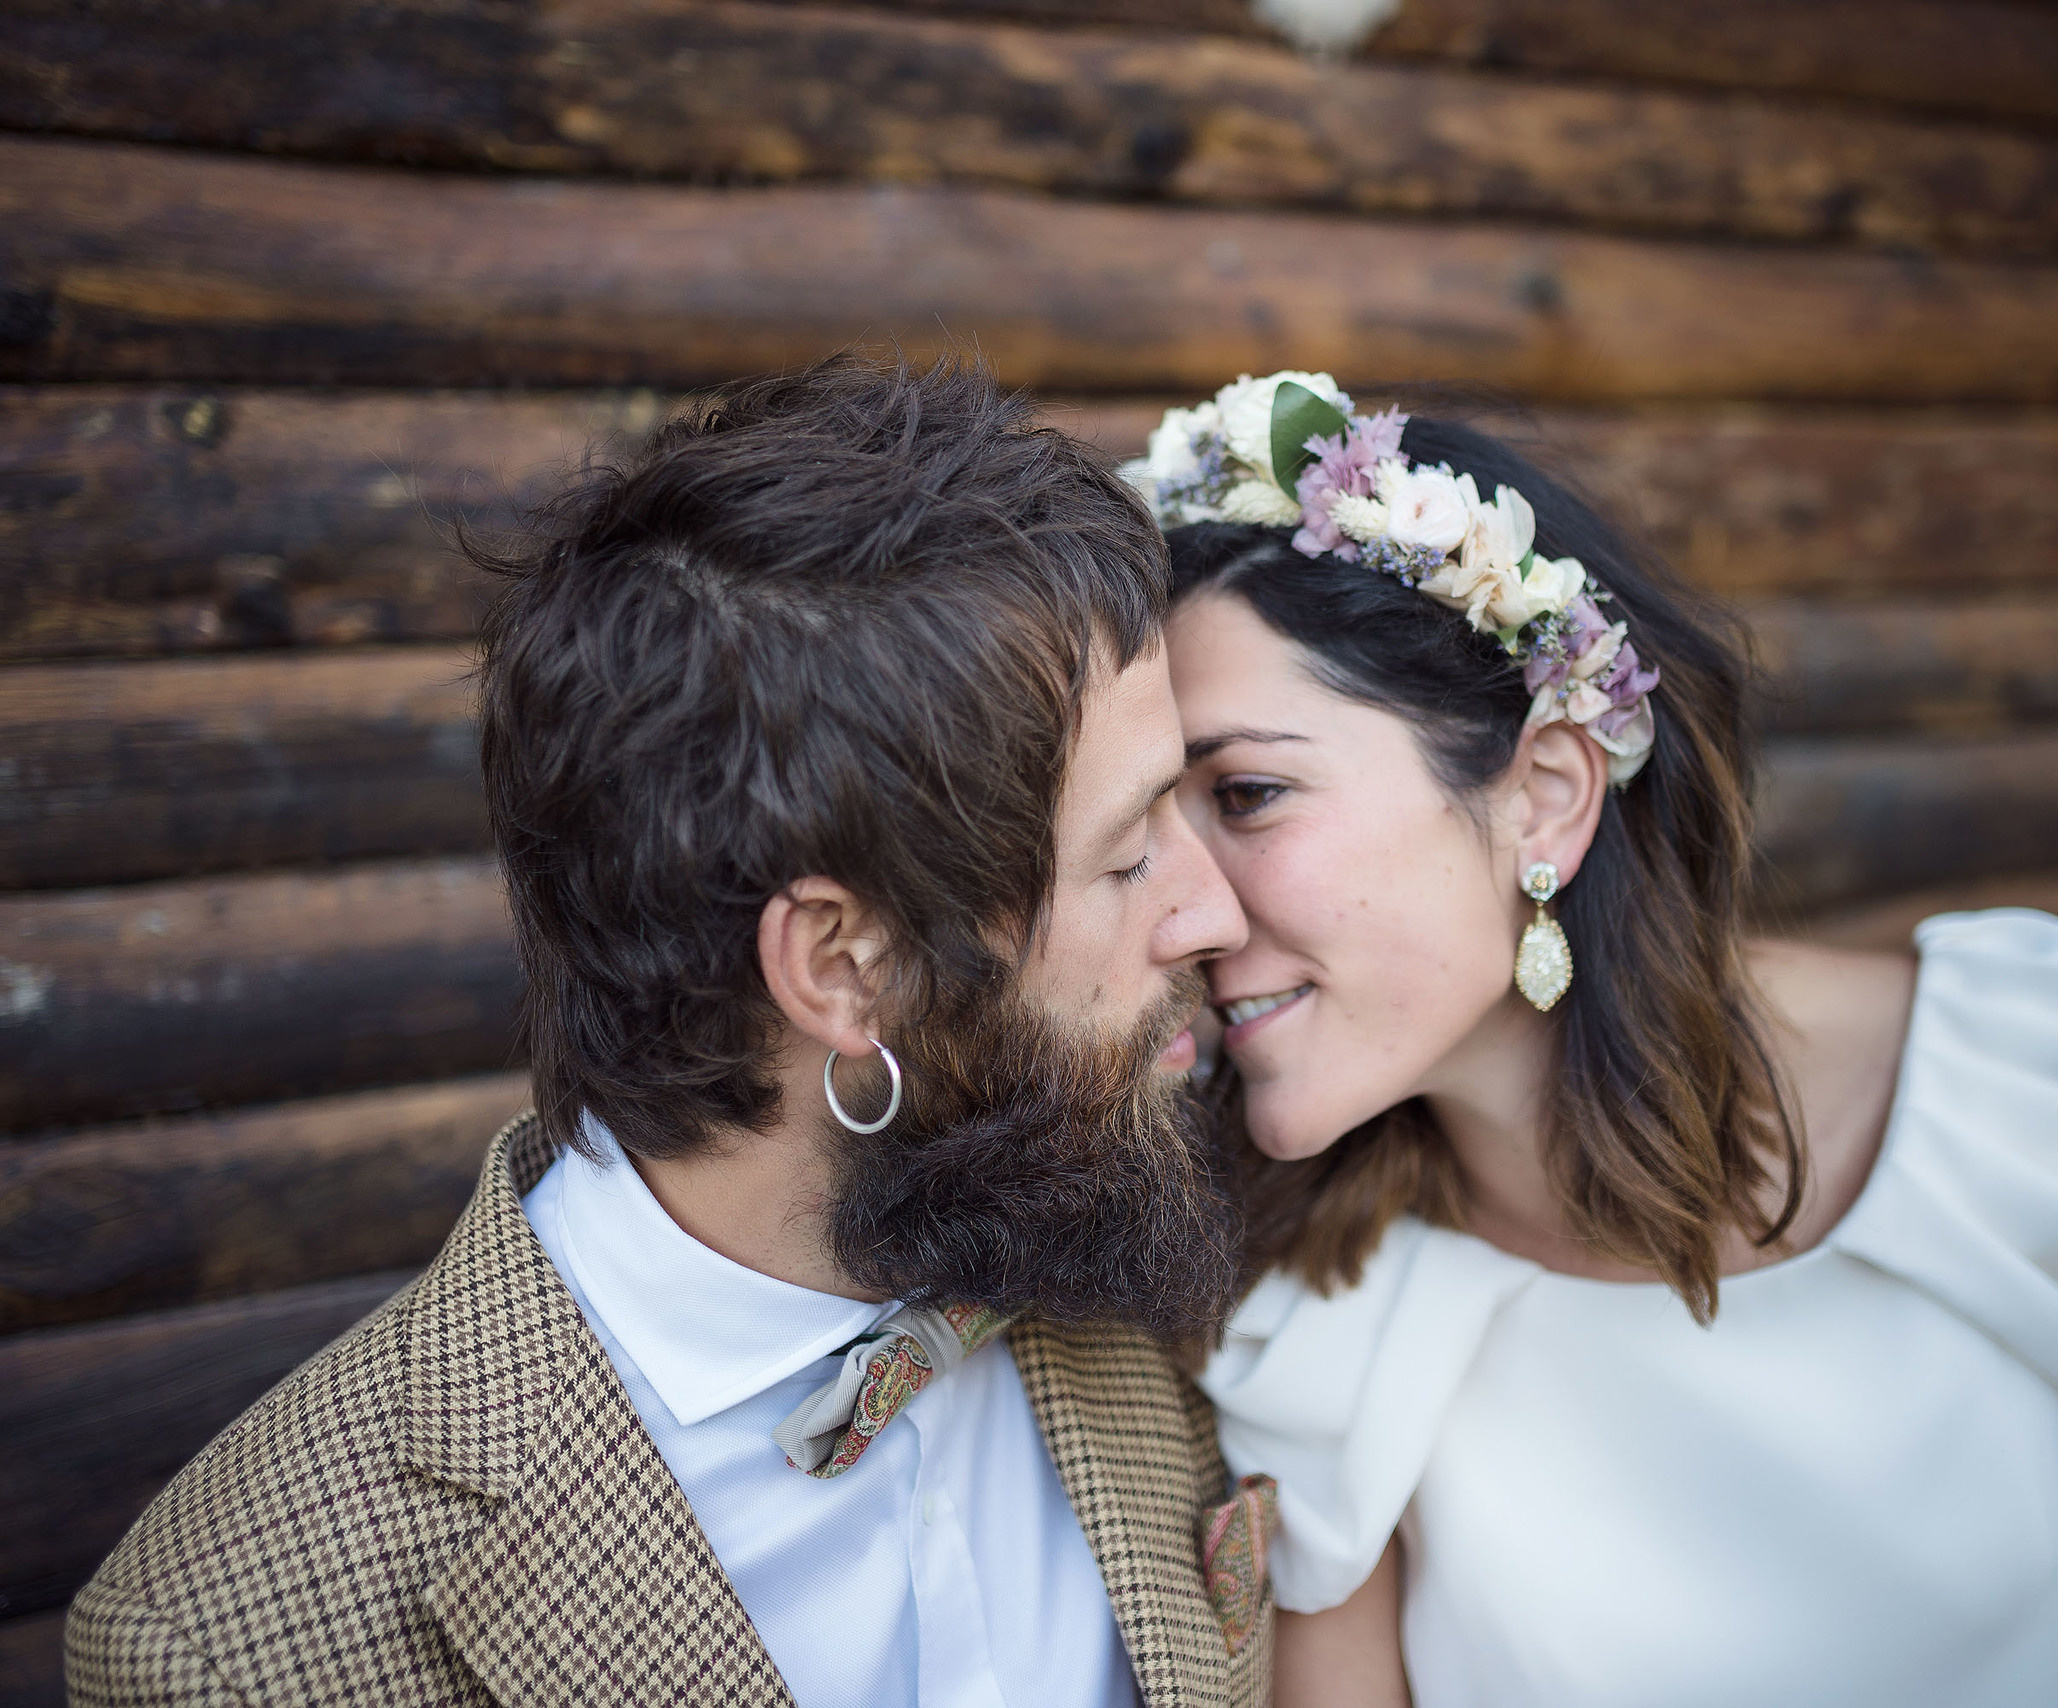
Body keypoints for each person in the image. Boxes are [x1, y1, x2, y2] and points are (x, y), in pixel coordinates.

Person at [66, 356, 1278, 1708]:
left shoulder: (1119, 1221)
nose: (1216, 911)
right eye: (1126, 860)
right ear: (843, 970)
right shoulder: (242, 1646)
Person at [1121, 372, 2058, 1708]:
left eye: (1246, 795)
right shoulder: (1309, 1312)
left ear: (1545, 795)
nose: (1183, 910)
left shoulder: (2007, 1092)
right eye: (1144, 833)